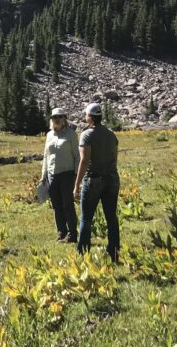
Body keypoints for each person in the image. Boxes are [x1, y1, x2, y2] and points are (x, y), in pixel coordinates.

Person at [73, 102, 120, 261]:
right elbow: (115, 158)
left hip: (93, 179)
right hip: (112, 178)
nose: (85, 117)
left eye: (86, 115)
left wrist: (77, 184)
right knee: (111, 217)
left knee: (86, 217)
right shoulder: (111, 134)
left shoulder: (86, 135)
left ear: (90, 118)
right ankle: (114, 253)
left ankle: (83, 254)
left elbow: (84, 161)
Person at [41, 107, 79, 242]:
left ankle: (72, 233)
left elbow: (77, 156)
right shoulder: (49, 135)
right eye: (54, 118)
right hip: (52, 175)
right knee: (56, 205)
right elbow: (46, 156)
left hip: (67, 174)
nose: (56, 120)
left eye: (59, 117)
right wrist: (43, 175)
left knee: (68, 204)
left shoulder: (71, 134)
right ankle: (62, 232)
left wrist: (76, 175)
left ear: (64, 119)